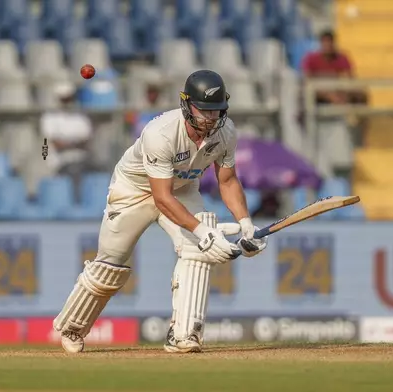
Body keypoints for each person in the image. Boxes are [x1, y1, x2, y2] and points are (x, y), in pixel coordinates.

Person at [52, 70, 269, 354]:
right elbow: (161, 198)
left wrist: (246, 224)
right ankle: (73, 325)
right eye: (203, 111)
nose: (210, 119)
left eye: (216, 111)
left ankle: (184, 334)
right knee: (110, 266)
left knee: (198, 252)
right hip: (134, 190)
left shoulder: (226, 133)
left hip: (183, 188)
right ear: (186, 105)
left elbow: (227, 181)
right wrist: (204, 232)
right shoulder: (161, 133)